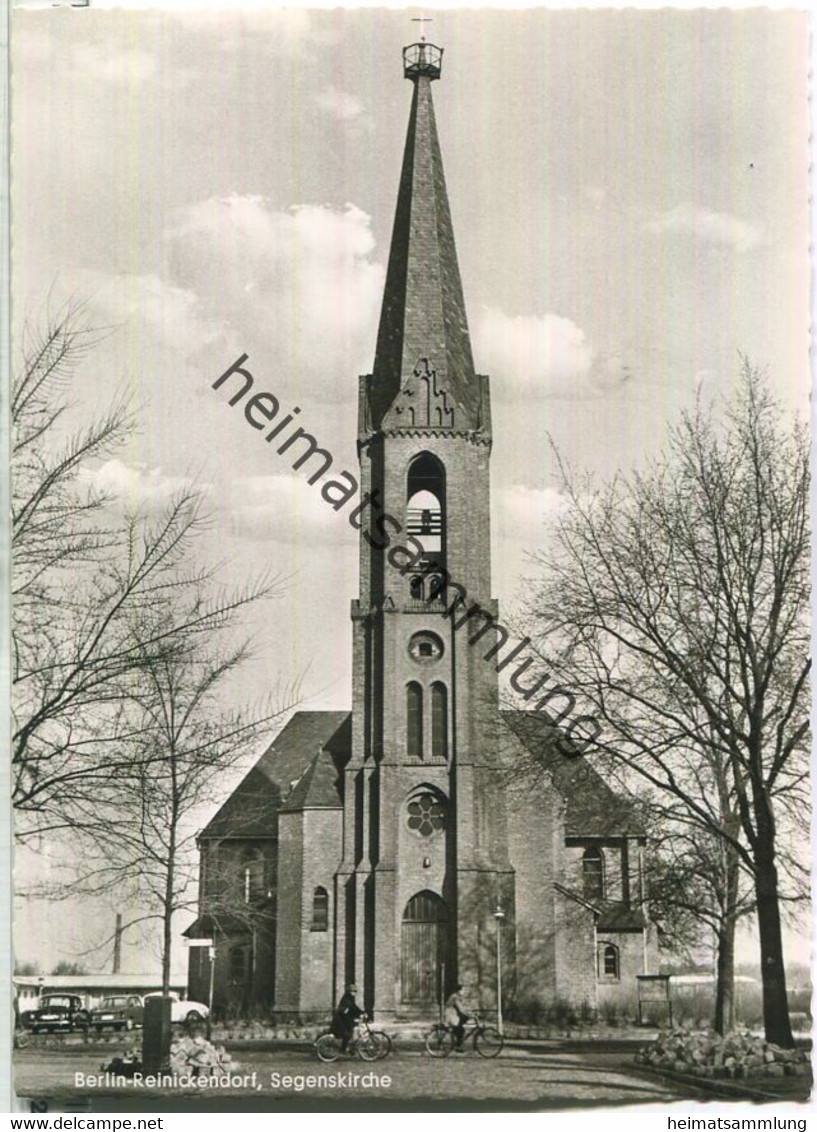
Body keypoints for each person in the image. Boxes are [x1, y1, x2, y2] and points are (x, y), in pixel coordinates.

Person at [331, 983, 364, 1052]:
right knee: (347, 1035)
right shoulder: (347, 1000)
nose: (355, 993)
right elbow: (351, 1009)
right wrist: (359, 1014)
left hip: (344, 1019)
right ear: (349, 992)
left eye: (355, 991)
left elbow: (354, 1007)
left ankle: (350, 1048)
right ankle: (343, 1049)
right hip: (340, 1020)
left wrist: (361, 1012)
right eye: (353, 991)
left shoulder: (349, 998)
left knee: (351, 1031)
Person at [444, 984, 471, 1052]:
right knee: (461, 1030)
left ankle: (457, 1042)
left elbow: (464, 1008)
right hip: (451, 1015)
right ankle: (458, 1046)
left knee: (461, 1028)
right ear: (458, 991)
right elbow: (460, 1008)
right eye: (463, 990)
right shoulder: (455, 997)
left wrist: (470, 1013)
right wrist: (469, 1015)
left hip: (455, 1014)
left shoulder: (459, 997)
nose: (464, 992)